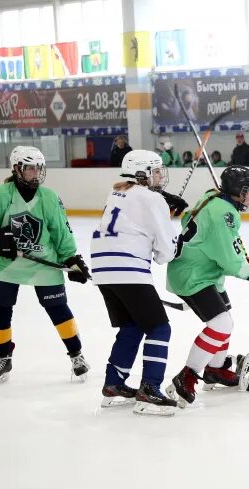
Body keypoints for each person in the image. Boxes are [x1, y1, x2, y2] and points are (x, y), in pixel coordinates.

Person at [0, 146, 91, 384]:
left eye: (38, 168)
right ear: (16, 169)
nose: (36, 174)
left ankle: (77, 354)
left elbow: (61, 231)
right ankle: (3, 357)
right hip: (7, 265)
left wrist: (71, 258)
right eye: (30, 169)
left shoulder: (49, 197)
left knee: (58, 309)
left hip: (43, 264)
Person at [165, 165, 249, 407]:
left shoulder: (213, 197)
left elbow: (189, 219)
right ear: (235, 191)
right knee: (221, 324)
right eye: (248, 192)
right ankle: (187, 376)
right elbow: (228, 258)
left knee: (226, 318)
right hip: (193, 275)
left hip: (204, 271)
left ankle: (216, 369)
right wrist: (247, 270)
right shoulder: (223, 212)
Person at [91, 150, 181, 416]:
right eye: (154, 171)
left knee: (132, 326)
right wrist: (175, 235)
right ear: (141, 174)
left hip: (102, 268)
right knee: (159, 328)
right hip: (128, 268)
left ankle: (114, 384)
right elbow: (166, 253)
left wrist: (164, 208)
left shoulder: (116, 192)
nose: (159, 176)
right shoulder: (152, 199)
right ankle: (150, 390)